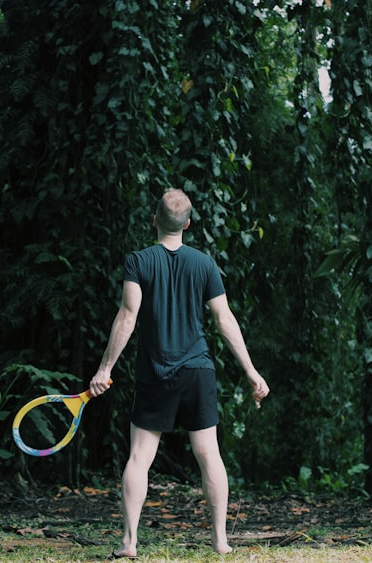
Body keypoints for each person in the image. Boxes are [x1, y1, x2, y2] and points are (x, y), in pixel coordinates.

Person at [89, 188, 270, 558]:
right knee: (209, 455)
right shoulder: (204, 264)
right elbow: (224, 320)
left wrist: (105, 368)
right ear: (187, 223)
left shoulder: (139, 261)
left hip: (156, 373)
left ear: (154, 219)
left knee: (139, 457)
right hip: (197, 371)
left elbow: (127, 315)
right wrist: (251, 371)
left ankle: (129, 542)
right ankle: (220, 541)